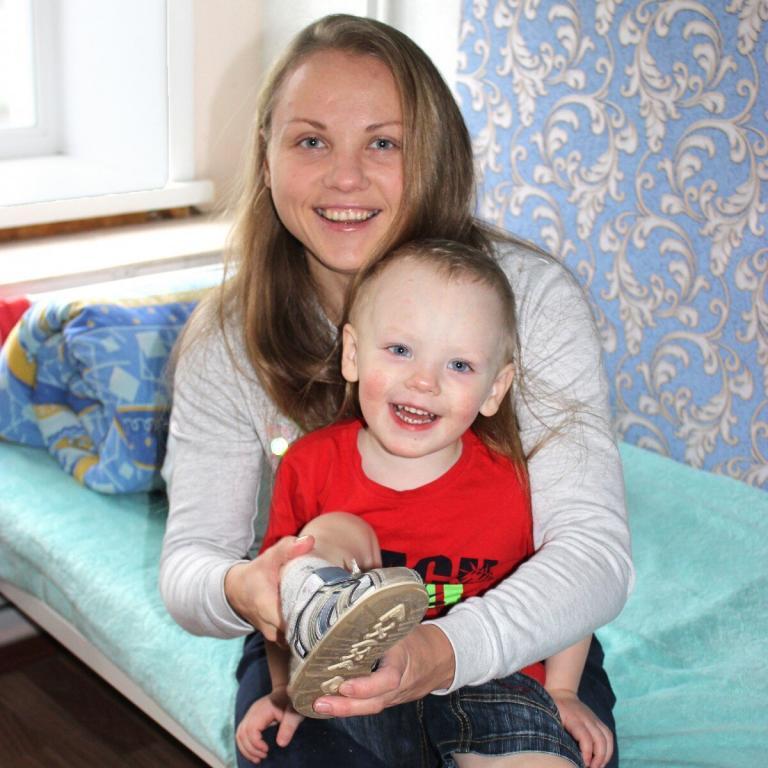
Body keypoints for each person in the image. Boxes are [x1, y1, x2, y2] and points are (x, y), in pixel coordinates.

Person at [159, 13, 632, 768]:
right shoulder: (225, 340)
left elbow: (595, 556)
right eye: (311, 140)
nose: (345, 177)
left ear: (435, 154)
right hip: (321, 650)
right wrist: (244, 588)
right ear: (268, 155)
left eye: (383, 142)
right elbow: (189, 567)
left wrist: (440, 652)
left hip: (503, 625)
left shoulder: (529, 301)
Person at [236, 240, 614, 768]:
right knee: (329, 533)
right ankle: (330, 610)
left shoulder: (514, 480)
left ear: (495, 388)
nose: (424, 380)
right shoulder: (310, 464)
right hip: (360, 677)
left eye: (459, 364)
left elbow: (570, 587)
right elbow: (274, 592)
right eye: (399, 350)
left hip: (492, 679)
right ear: (352, 353)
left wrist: (566, 690)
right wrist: (286, 688)